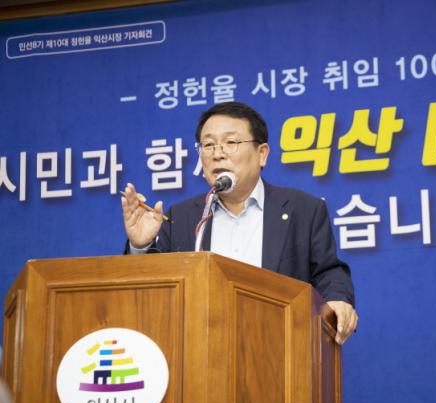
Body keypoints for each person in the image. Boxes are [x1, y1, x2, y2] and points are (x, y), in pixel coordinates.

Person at [121, 101, 358, 344]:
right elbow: (152, 295)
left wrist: (338, 300)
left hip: (279, 348)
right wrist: (140, 247)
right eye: (208, 145)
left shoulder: (303, 209)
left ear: (262, 153)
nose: (217, 153)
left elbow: (328, 272)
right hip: (199, 351)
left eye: (231, 142)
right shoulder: (181, 217)